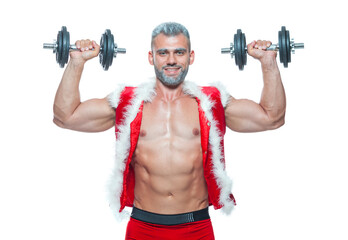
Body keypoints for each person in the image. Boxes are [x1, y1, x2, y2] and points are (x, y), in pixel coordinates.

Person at [53, 22, 286, 240]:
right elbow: (65, 117)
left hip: (197, 227)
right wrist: (76, 62)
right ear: (151, 57)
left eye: (179, 52)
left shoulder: (211, 102)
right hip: (143, 228)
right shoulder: (128, 103)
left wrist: (268, 62)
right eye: (163, 53)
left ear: (191, 57)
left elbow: (272, 118)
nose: (171, 60)